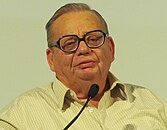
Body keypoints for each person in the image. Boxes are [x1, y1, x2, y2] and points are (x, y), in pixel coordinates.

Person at [0, 3, 167, 130]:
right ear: (51, 59)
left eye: (93, 39)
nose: (83, 49)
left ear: (111, 48)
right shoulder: (18, 118)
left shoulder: (151, 103)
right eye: (70, 43)